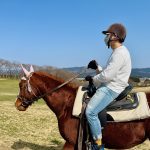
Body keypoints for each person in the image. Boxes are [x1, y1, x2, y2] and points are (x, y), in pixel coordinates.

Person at [85, 23, 132, 150]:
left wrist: (93, 78)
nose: (106, 37)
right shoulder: (118, 52)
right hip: (111, 84)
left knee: (90, 112)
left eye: (108, 34)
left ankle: (98, 145)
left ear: (115, 36)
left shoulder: (119, 53)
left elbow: (107, 76)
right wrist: (97, 67)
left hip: (111, 88)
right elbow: (108, 72)